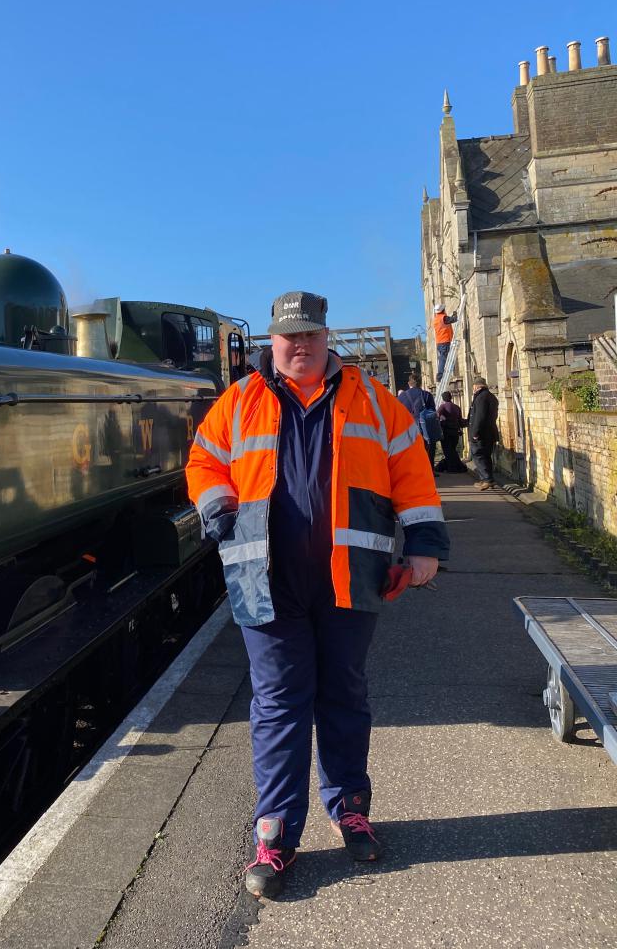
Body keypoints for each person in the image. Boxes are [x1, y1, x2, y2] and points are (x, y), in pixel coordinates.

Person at [186, 291, 450, 899]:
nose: (299, 344)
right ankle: (276, 835)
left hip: (349, 577)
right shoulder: (241, 400)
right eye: (288, 335)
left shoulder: (375, 401)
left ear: (326, 337)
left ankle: (351, 809)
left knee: (344, 695)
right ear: (271, 341)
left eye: (309, 334)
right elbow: (203, 461)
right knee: (278, 705)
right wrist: (216, 502)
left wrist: (426, 543)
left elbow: (413, 470)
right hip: (267, 578)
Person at [398, 374, 439, 470]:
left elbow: (398, 414)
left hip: (408, 429)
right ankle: (429, 470)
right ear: (420, 384)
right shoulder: (427, 395)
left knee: (410, 451)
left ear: (409, 383)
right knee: (428, 449)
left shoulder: (401, 397)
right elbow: (432, 412)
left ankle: (414, 471)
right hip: (424, 428)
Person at [467, 375, 499, 490]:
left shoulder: (481, 398)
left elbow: (479, 417)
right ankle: (486, 479)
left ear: (476, 386)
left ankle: (487, 480)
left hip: (481, 433)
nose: (473, 389)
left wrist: (475, 432)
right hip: (490, 432)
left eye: (474, 387)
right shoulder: (491, 397)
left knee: (479, 456)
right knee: (486, 456)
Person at [436, 391, 465, 471]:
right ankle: (456, 467)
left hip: (446, 431)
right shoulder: (457, 407)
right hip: (455, 432)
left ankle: (453, 468)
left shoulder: (443, 406)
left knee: (448, 451)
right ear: (451, 397)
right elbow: (460, 420)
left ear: (443, 398)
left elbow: (437, 415)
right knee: (452, 450)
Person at [433, 304, 458, 382]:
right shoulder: (443, 318)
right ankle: (440, 376)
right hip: (445, 341)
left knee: (443, 358)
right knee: (443, 359)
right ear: (443, 310)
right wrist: (455, 315)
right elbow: (452, 320)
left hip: (439, 342)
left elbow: (447, 321)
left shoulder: (436, 319)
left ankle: (442, 374)